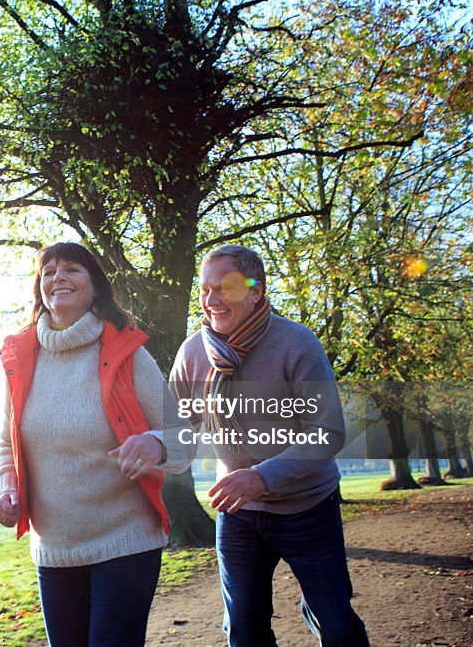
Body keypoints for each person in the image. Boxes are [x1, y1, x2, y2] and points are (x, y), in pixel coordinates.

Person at [0, 241, 192, 647]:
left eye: (71, 270)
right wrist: (4, 488)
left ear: (95, 286)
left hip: (125, 540)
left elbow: (183, 438)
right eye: (48, 272)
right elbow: (4, 445)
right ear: (39, 288)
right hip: (55, 548)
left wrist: (156, 445)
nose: (58, 278)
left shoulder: (127, 355)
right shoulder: (20, 357)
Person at [169, 244, 369, 647]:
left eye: (224, 287)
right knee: (243, 628)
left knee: (336, 624)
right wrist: (144, 446)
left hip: (307, 507)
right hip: (238, 513)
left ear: (255, 290)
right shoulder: (194, 352)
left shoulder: (297, 343)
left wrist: (262, 477)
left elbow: (327, 430)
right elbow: (176, 425)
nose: (211, 300)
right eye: (205, 290)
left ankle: (321, 612)